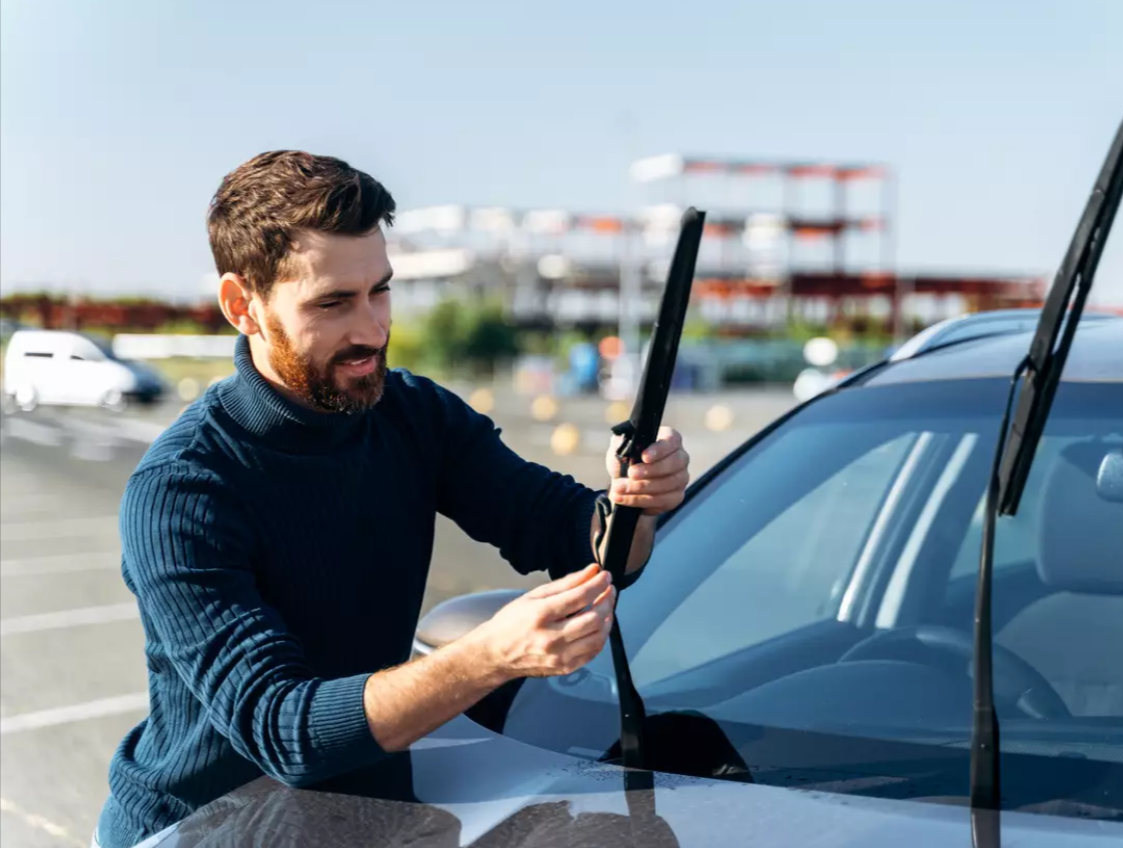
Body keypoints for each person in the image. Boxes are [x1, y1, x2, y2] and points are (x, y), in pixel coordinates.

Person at [91, 151, 691, 848]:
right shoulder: (182, 492)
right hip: (202, 831)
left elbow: (569, 533)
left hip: (365, 823)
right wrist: (486, 656)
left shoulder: (413, 416)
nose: (372, 330)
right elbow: (284, 732)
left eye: (380, 291)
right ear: (241, 306)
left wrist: (634, 504)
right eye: (332, 304)